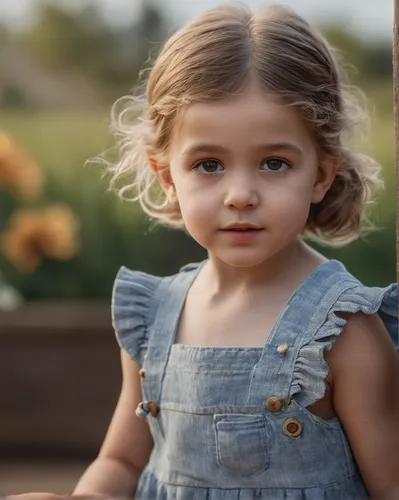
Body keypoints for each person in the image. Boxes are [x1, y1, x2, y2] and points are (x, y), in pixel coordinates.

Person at [8, 2, 399, 499]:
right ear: (167, 176)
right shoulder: (154, 319)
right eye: (209, 164)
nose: (240, 194)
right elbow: (123, 459)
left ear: (321, 173)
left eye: (274, 163)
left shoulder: (344, 332)